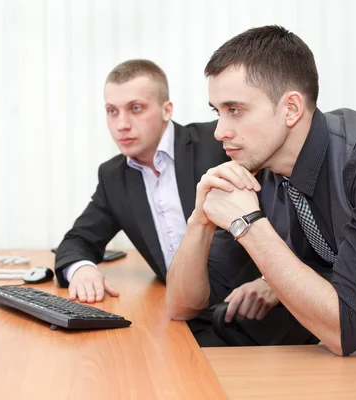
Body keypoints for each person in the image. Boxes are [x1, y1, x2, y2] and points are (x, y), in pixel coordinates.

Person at [166, 25, 356, 356]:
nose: (219, 131)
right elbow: (181, 306)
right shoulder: (257, 168)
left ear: (291, 109)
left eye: (235, 110)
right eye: (217, 112)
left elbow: (346, 328)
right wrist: (199, 222)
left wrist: (248, 222)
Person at [54, 59, 227, 307]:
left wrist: (266, 282)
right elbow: (77, 241)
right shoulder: (114, 177)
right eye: (112, 111)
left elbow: (278, 208)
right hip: (179, 310)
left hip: (246, 315)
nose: (122, 125)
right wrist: (82, 270)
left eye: (136, 108)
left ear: (167, 110)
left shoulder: (217, 143)